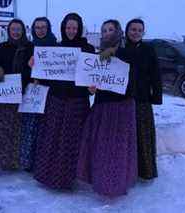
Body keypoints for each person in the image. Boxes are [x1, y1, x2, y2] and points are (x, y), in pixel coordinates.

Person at [33, 13, 95, 189]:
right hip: (56, 100)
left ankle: (68, 178)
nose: (71, 31)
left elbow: (92, 76)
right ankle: (48, 175)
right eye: (68, 27)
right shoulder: (56, 48)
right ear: (63, 28)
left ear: (80, 28)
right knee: (51, 137)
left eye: (74, 28)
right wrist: (35, 68)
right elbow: (47, 74)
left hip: (77, 101)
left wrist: (92, 87)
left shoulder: (88, 49)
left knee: (72, 140)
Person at [77, 20, 138, 197]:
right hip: (102, 106)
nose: (107, 32)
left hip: (122, 107)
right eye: (104, 30)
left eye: (111, 29)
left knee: (117, 148)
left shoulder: (128, 53)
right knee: (102, 147)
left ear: (118, 32)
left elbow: (132, 83)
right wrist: (91, 87)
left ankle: (115, 184)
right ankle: (100, 179)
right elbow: (93, 79)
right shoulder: (97, 56)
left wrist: (116, 53)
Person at [0, 19, 33, 170]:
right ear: (9, 31)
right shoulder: (3, 46)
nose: (16, 32)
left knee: (18, 129)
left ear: (23, 31)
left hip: (23, 93)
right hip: (4, 93)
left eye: (19, 29)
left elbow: (35, 69)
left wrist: (29, 71)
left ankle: (14, 161)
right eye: (13, 29)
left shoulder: (30, 47)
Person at [124, 19, 162, 180]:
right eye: (133, 29)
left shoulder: (148, 49)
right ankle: (127, 169)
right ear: (127, 31)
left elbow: (155, 74)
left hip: (142, 97)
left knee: (143, 135)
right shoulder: (120, 48)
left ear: (143, 33)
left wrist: (156, 96)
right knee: (126, 135)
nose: (136, 32)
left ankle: (145, 170)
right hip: (123, 98)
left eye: (140, 30)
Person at [19, 17, 57, 171]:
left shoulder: (56, 47)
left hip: (51, 93)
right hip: (33, 93)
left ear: (48, 29)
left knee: (46, 129)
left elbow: (61, 71)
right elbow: (21, 69)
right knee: (30, 128)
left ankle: (44, 162)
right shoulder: (29, 46)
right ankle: (29, 162)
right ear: (33, 29)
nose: (40, 30)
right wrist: (28, 67)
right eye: (37, 27)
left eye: (43, 27)